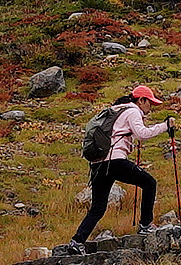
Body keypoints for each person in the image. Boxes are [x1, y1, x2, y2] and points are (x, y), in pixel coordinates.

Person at [72, 83, 169, 242]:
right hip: (115, 160)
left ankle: (76, 241)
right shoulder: (132, 111)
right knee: (149, 183)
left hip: (98, 163)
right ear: (141, 100)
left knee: (97, 208)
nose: (150, 107)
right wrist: (165, 126)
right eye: (149, 102)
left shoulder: (117, 110)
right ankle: (145, 225)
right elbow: (142, 134)